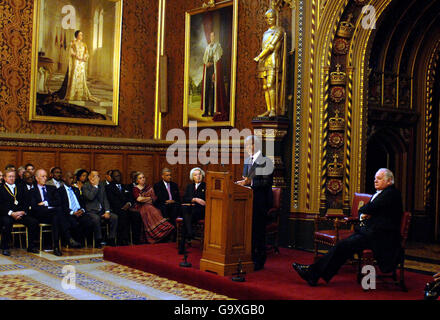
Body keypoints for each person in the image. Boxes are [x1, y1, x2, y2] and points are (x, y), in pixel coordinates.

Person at [292, 168, 403, 286]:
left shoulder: (391, 193)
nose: (375, 181)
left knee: (343, 246)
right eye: (375, 178)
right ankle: (314, 273)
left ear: (389, 181)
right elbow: (364, 211)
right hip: (370, 233)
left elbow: (368, 208)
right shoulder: (381, 193)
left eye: (379, 179)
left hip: (382, 238)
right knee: (342, 247)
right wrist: (365, 213)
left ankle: (313, 273)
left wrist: (366, 213)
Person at [237, 135, 274, 271]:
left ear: (255, 145)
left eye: (248, 145)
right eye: (245, 146)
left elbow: (266, 182)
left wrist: (250, 182)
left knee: (258, 232)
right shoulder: (247, 161)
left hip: (260, 202)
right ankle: (249, 257)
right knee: (249, 232)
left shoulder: (266, 161)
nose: (246, 148)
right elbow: (246, 179)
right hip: (248, 201)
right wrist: (242, 183)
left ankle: (260, 261)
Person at [29, 169, 81, 256]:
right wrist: (47, 206)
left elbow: (58, 202)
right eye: (42, 176)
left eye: (46, 176)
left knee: (56, 217)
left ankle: (56, 247)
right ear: (37, 178)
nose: (45, 178)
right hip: (41, 215)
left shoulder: (52, 188)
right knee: (58, 212)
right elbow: (34, 207)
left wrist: (46, 203)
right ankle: (67, 238)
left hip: (53, 214)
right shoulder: (32, 191)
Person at [0, 169, 40, 256]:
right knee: (7, 222)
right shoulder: (1, 189)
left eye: (13, 176)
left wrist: (22, 212)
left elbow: (26, 201)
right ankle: (5, 247)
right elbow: (1, 206)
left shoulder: (20, 187)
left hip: (20, 214)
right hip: (7, 214)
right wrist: (11, 213)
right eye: (9, 177)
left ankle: (31, 246)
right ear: (5, 178)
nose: (11, 178)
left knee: (33, 222)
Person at [254, 8, 285, 117]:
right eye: (267, 18)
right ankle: (268, 109)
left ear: (275, 18)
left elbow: (271, 46)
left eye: (271, 17)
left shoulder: (279, 30)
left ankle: (273, 109)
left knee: (270, 84)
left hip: (272, 60)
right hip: (263, 62)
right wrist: (261, 58)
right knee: (264, 87)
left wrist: (259, 56)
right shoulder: (265, 33)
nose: (270, 20)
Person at [133, 172, 174, 243]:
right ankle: (161, 229)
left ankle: (164, 229)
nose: (143, 179)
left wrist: (145, 198)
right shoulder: (135, 189)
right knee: (149, 209)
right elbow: (139, 199)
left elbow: (154, 198)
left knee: (156, 210)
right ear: (137, 181)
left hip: (150, 205)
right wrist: (148, 198)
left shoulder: (149, 187)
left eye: (143, 177)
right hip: (140, 206)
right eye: (140, 178)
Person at [105, 170, 142, 245]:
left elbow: (131, 198)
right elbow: (111, 200)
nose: (119, 177)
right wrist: (122, 207)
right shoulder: (108, 187)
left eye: (119, 175)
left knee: (137, 215)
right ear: (112, 178)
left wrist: (128, 203)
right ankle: (122, 240)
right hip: (116, 209)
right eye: (116, 176)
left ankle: (136, 240)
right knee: (123, 215)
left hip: (127, 208)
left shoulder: (125, 186)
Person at [82, 170, 118, 248]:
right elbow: (90, 197)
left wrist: (107, 211)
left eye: (98, 176)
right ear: (89, 177)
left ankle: (111, 239)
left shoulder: (101, 186)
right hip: (91, 211)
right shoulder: (85, 186)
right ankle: (98, 239)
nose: (97, 178)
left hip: (101, 211)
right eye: (94, 176)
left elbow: (105, 199)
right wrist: (95, 186)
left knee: (114, 217)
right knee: (96, 218)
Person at [59, 171, 94, 247]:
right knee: (73, 222)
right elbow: (61, 205)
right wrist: (72, 212)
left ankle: (82, 241)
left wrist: (82, 210)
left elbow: (82, 203)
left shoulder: (76, 190)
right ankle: (73, 241)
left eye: (73, 178)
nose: (72, 180)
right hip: (69, 213)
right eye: (70, 178)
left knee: (89, 222)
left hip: (80, 212)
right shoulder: (60, 191)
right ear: (64, 179)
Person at [64, 30, 99, 103]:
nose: (81, 36)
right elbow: (70, 51)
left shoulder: (84, 44)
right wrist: (77, 56)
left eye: (82, 35)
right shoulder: (73, 43)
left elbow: (86, 53)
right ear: (76, 35)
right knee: (75, 76)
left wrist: (84, 57)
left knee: (81, 77)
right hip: (76, 62)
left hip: (82, 63)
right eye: (80, 34)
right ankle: (72, 95)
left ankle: (80, 95)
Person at [200, 31, 228, 120]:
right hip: (207, 70)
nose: (212, 37)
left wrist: (215, 73)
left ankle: (212, 111)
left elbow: (217, 61)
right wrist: (206, 63)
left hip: (213, 69)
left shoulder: (218, 46)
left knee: (212, 91)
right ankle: (206, 111)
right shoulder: (208, 47)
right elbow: (205, 59)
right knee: (207, 90)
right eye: (211, 36)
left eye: (213, 36)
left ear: (215, 37)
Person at [180, 167, 206, 253]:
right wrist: (195, 199)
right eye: (195, 175)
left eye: (199, 174)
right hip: (190, 209)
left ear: (202, 175)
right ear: (192, 177)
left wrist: (200, 201)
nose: (198, 176)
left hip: (200, 211)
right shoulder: (189, 186)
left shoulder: (206, 186)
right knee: (186, 211)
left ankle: (182, 246)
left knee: (185, 219)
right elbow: (185, 198)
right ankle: (190, 232)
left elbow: (205, 201)